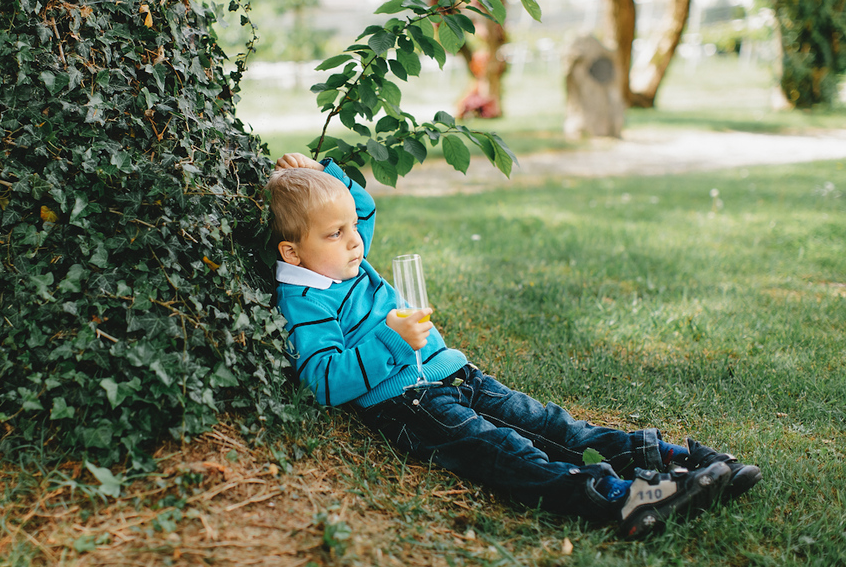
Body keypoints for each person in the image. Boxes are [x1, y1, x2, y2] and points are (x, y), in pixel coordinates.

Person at [266, 153, 761, 539]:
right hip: (408, 403)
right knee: (504, 450)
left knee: (552, 424)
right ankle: (621, 498)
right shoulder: (305, 299)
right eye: (337, 233)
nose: (356, 242)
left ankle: (679, 460)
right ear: (293, 251)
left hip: (452, 372)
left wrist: (320, 172)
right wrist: (392, 341)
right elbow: (322, 380)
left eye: (353, 228)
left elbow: (362, 209)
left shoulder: (339, 256)